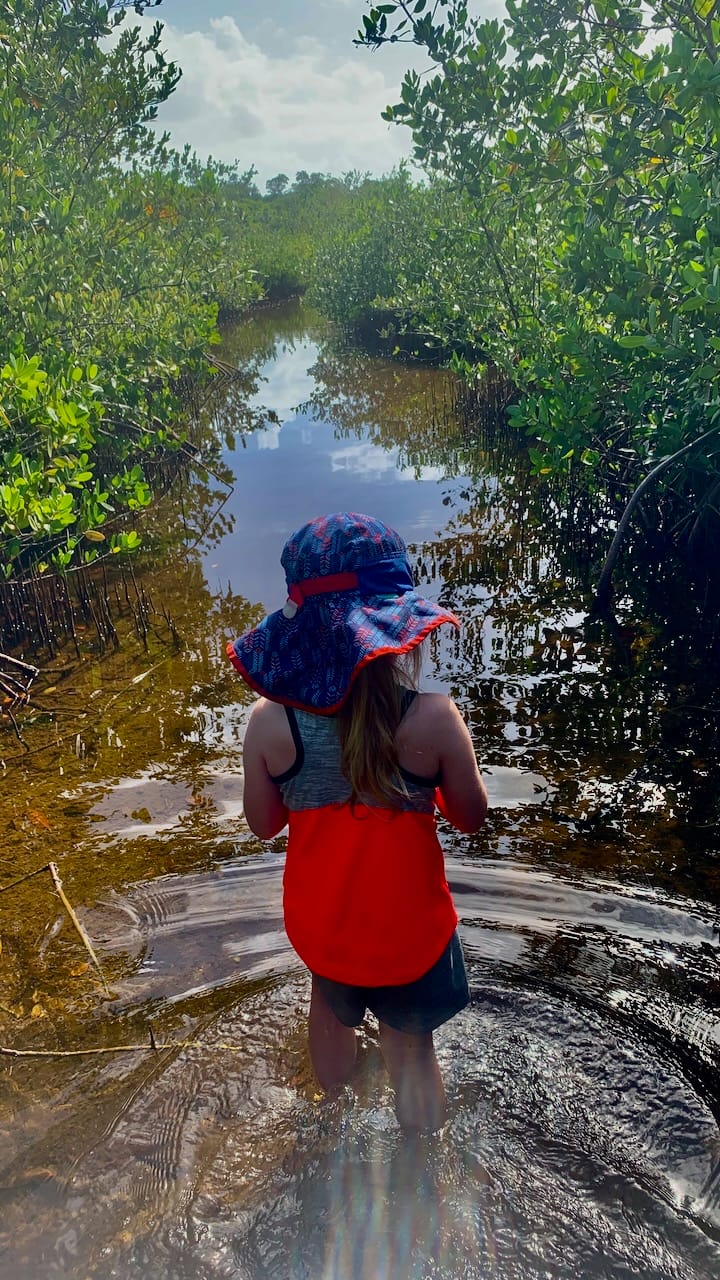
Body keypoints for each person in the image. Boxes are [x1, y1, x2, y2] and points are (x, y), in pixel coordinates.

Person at [228, 512, 487, 1132]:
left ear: (301, 635)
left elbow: (264, 825)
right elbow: (473, 817)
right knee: (411, 1047)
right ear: (399, 624)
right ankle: (422, 1158)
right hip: (410, 937)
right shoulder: (433, 719)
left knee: (328, 1011)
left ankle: (332, 1125)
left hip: (327, 930)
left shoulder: (270, 724)